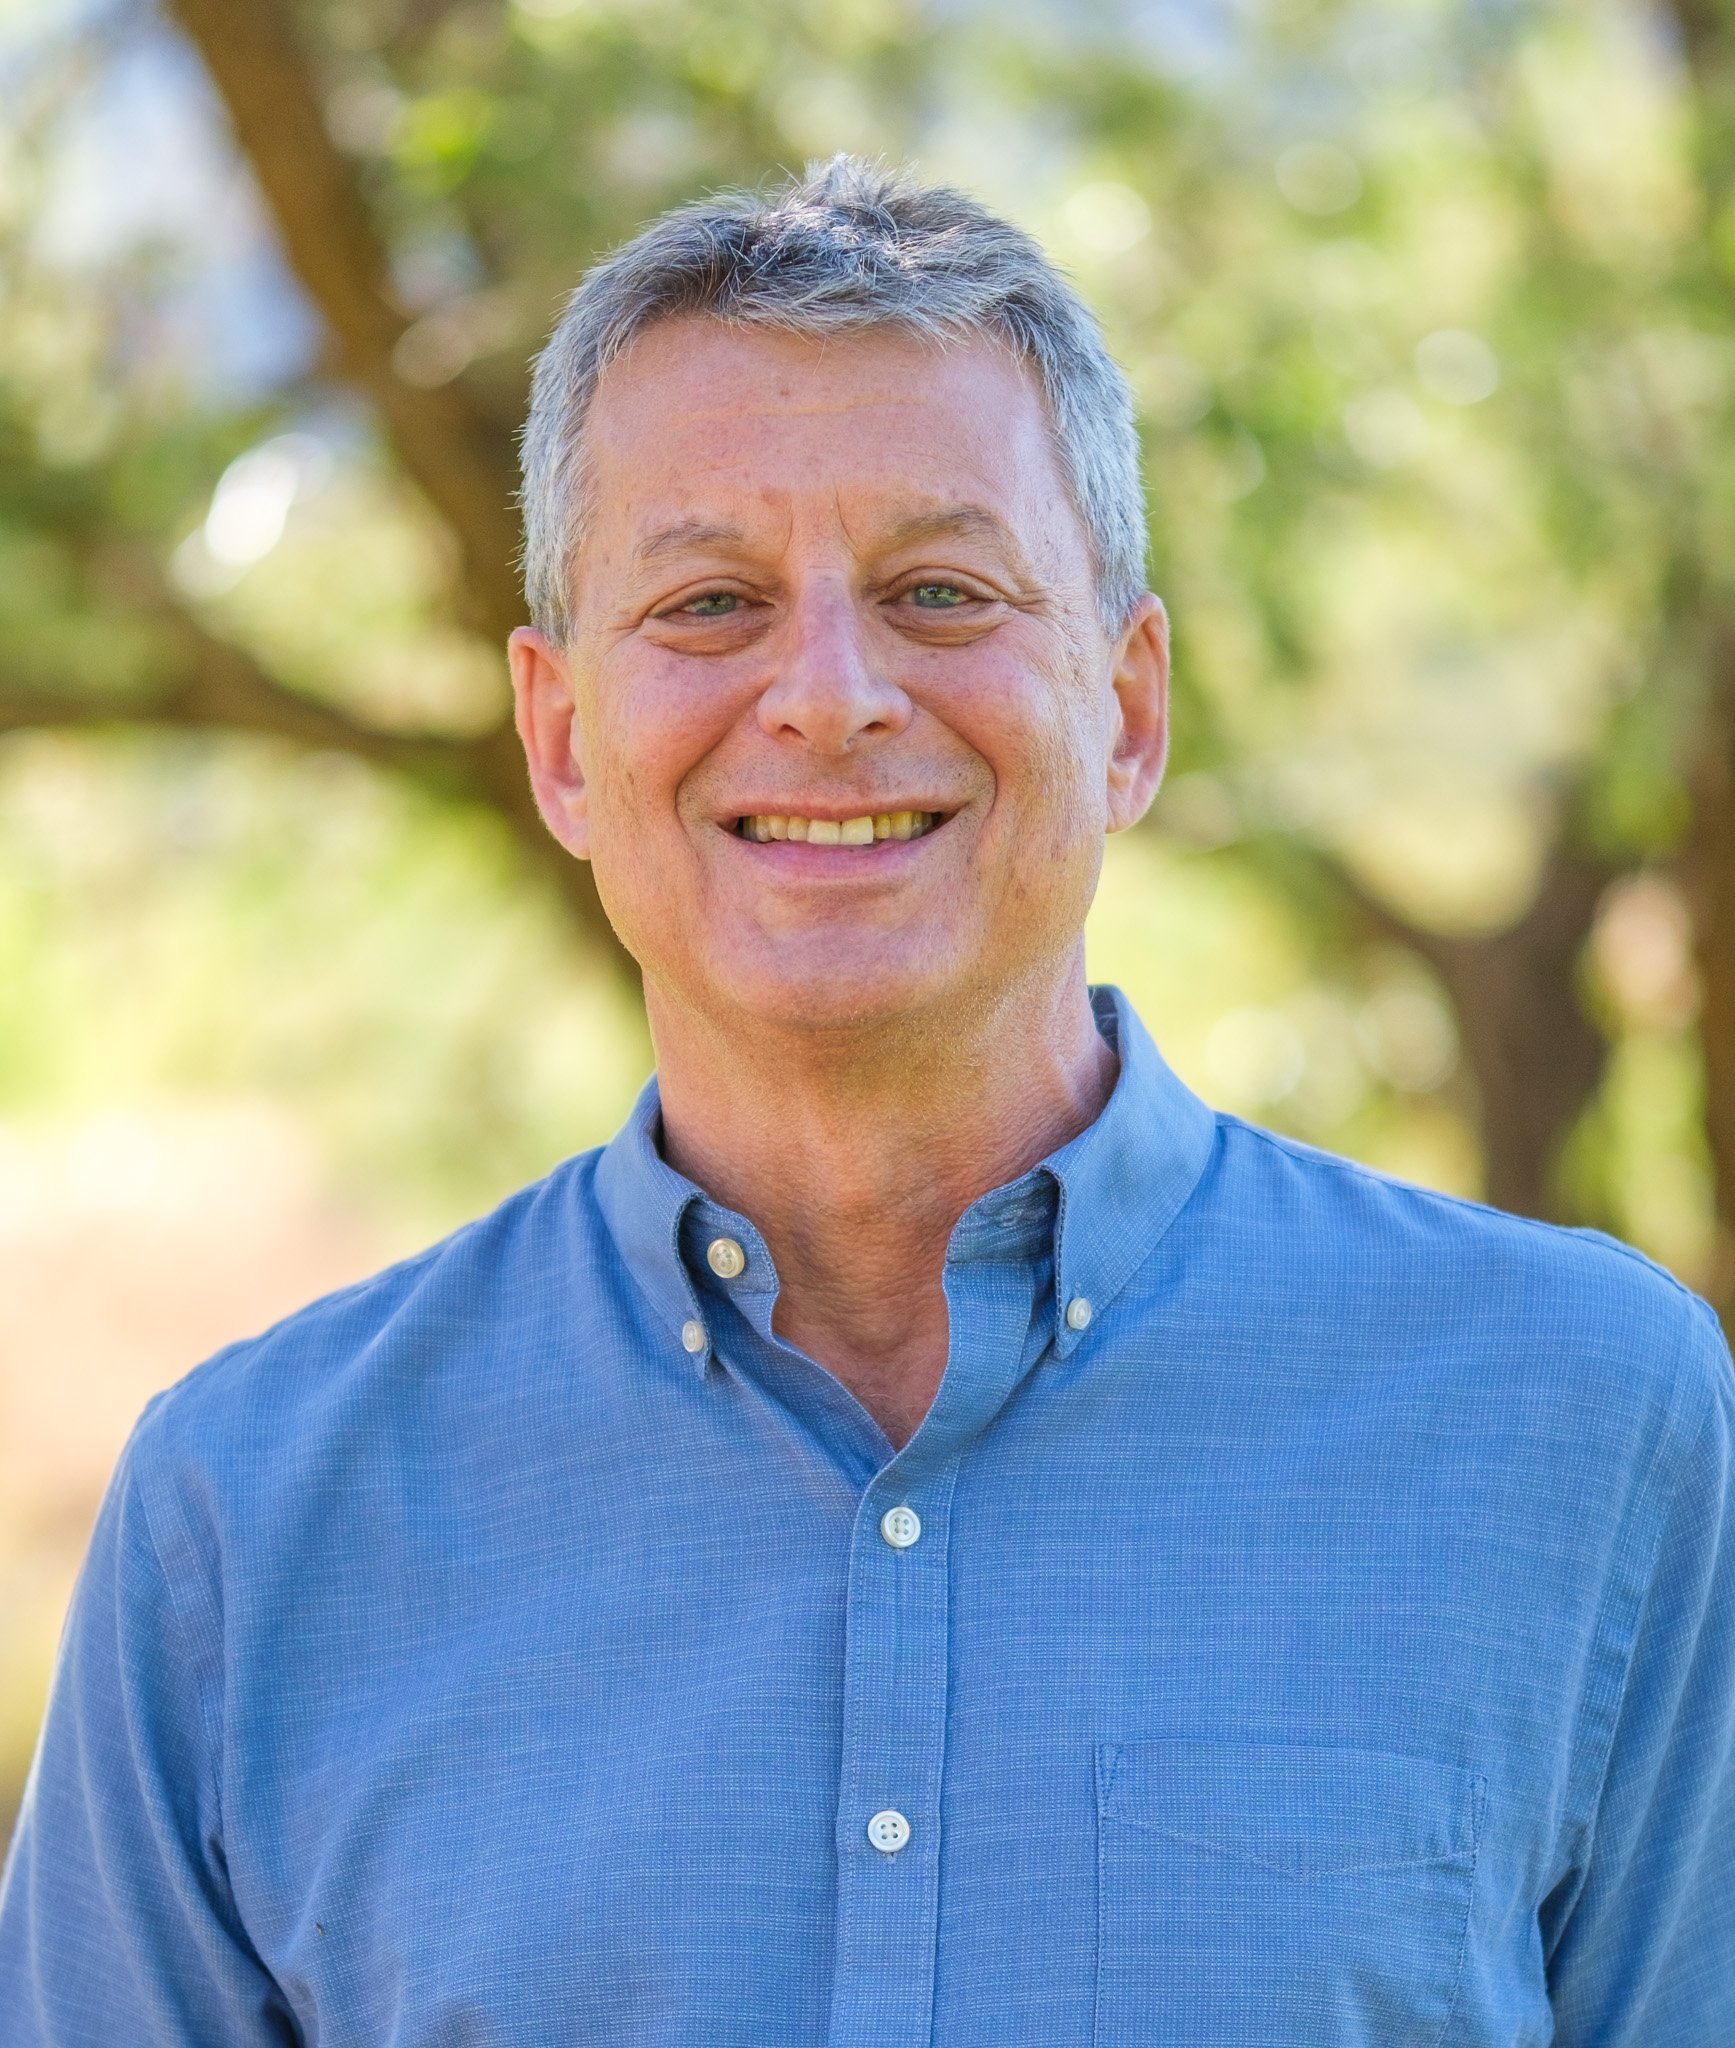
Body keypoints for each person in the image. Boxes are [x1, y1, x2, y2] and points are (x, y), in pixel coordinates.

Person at [2, 155, 1731, 2047]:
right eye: (710, 603)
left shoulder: (1590, 1424)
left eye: (939, 591)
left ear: (1130, 708)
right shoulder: (244, 1529)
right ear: (562, 739)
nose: (828, 696)